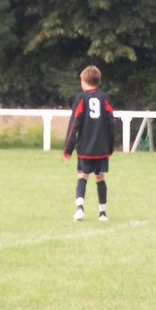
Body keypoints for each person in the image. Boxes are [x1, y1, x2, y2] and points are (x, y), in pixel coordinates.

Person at [63, 65, 115, 222]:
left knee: (82, 176)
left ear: (84, 81)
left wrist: (68, 148)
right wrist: (110, 146)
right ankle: (102, 213)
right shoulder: (105, 98)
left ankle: (79, 209)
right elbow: (111, 123)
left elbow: (74, 124)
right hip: (101, 148)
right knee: (100, 178)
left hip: (85, 147)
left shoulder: (81, 98)